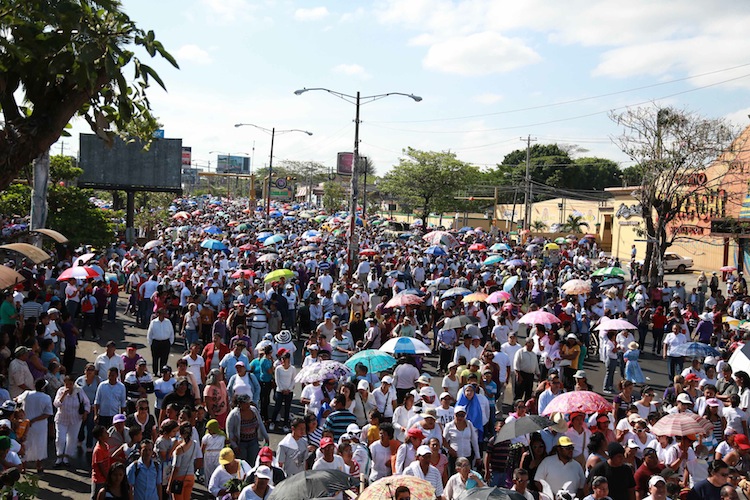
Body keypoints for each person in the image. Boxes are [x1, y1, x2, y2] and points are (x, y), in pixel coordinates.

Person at [54, 374, 90, 466]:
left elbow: (86, 403)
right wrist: (63, 395)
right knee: (60, 438)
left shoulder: (79, 391)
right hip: (62, 418)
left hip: (75, 419)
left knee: (72, 439)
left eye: (70, 384)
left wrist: (85, 413)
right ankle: (59, 457)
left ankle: (66, 458)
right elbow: (56, 404)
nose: (69, 386)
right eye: (67, 384)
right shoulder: (60, 391)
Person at [18, 378, 53, 473]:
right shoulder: (46, 398)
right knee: (40, 444)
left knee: (25, 444)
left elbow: (17, 400)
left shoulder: (27, 394)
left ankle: (23, 467)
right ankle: (38, 465)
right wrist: (34, 420)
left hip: (26, 425)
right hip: (40, 426)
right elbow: (48, 413)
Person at [168, 422, 199, 500]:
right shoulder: (194, 444)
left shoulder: (179, 449)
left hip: (180, 478)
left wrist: (170, 484)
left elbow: (176, 468)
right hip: (190, 476)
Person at [147, 308, 174, 374]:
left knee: (164, 358)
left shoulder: (168, 322)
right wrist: (150, 343)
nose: (163, 315)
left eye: (164, 313)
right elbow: (149, 333)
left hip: (165, 342)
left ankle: (162, 372)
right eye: (162, 313)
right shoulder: (153, 322)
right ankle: (155, 372)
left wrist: (170, 342)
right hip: (156, 342)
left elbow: (171, 332)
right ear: (158, 314)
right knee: (155, 358)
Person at [92, 425, 112, 500]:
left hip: (105, 478)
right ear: (100, 437)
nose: (108, 433)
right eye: (105, 433)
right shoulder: (98, 450)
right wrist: (108, 478)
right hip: (99, 479)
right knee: (96, 496)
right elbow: (101, 467)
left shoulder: (106, 446)